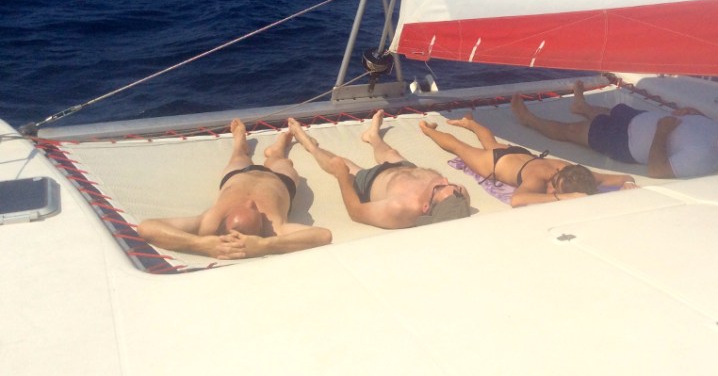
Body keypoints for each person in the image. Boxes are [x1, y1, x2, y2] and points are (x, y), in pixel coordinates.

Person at [138, 119, 332, 260]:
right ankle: (277, 152)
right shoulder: (274, 230)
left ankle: (239, 144)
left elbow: (147, 227)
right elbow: (323, 235)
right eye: (255, 210)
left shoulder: (209, 222)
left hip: (237, 175)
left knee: (238, 157)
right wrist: (265, 245)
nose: (251, 202)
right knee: (282, 162)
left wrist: (200, 244)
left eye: (249, 207)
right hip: (279, 180)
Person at [511, 81, 718, 179]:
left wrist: (662, 132)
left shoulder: (703, 158)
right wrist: (695, 114)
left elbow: (657, 170)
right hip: (639, 119)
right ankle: (582, 106)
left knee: (572, 132)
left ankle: (529, 120)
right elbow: (703, 128)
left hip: (625, 142)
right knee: (610, 112)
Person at [287, 111, 471, 229]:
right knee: (390, 153)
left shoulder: (400, 209)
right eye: (455, 188)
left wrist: (343, 177)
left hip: (371, 181)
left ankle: (310, 146)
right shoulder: (459, 198)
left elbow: (356, 212)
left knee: (339, 163)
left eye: (440, 187)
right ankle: (373, 137)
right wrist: (450, 190)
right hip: (405, 169)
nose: (446, 180)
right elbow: (455, 194)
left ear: (425, 207)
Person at [419, 112, 637, 208]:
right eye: (554, 186)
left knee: (490, 142)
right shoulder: (538, 179)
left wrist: (627, 183)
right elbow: (518, 200)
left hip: (519, 155)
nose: (550, 190)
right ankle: (427, 129)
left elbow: (623, 177)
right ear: (558, 175)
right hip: (495, 163)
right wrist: (564, 197)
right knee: (460, 148)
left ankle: (470, 123)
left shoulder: (578, 174)